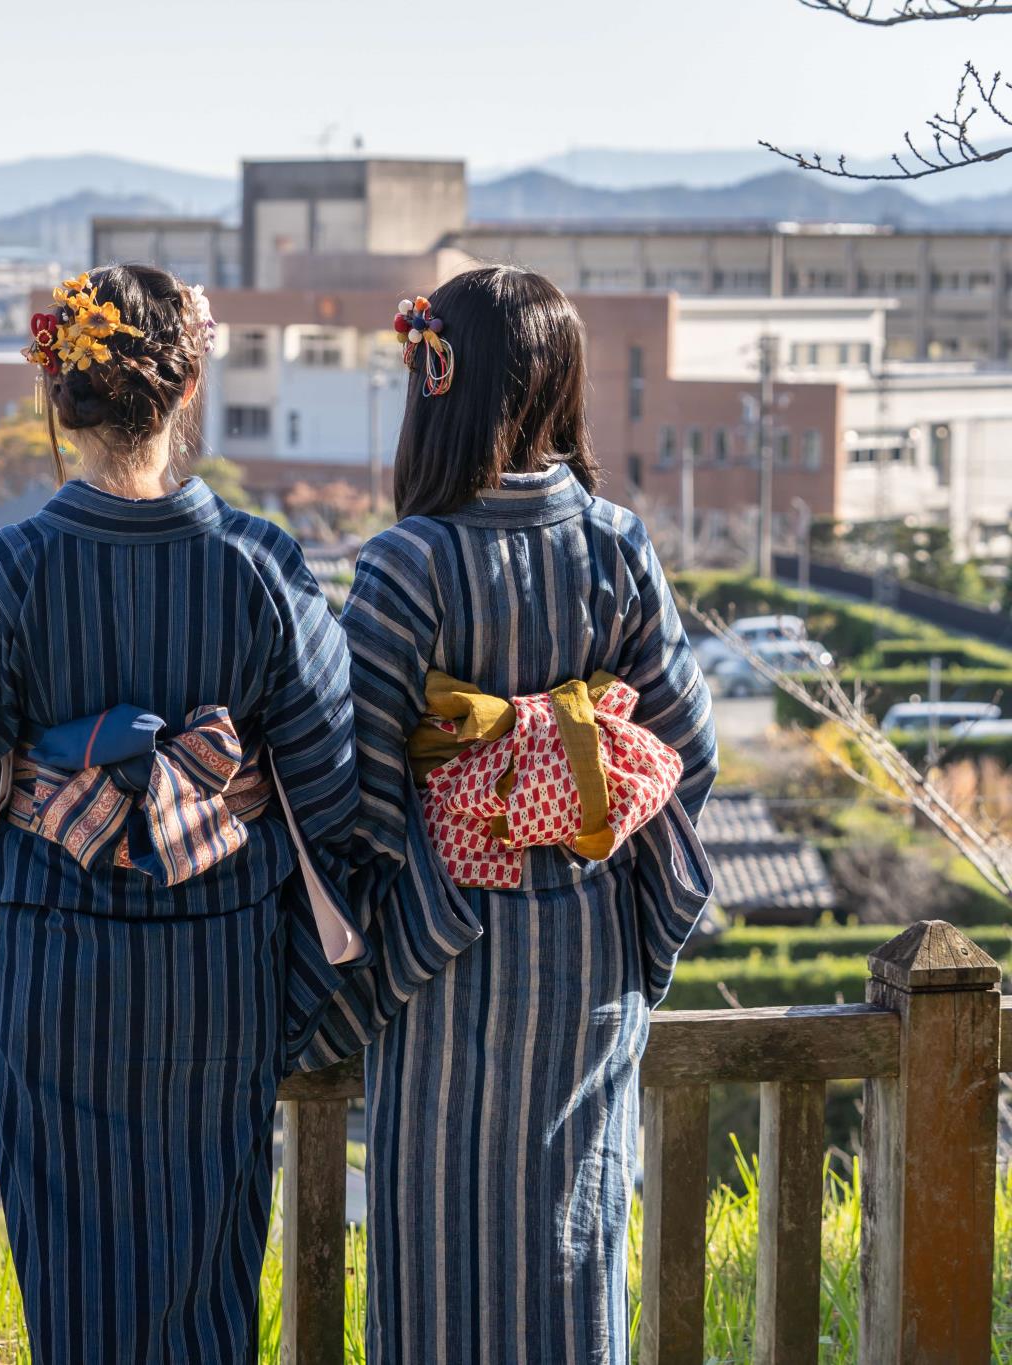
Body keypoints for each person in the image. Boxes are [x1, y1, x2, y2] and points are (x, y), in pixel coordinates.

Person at [0, 264, 361, 1363]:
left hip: (56, 977)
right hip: (220, 971)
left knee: (77, 1290)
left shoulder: (7, 571)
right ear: (186, 385)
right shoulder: (258, 563)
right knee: (208, 1283)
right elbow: (326, 788)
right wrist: (290, 960)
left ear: (63, 394)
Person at [339, 266, 717, 1364]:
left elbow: (353, 790)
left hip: (443, 956)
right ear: (560, 385)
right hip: (585, 957)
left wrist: (384, 941)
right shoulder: (616, 545)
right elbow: (682, 753)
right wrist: (615, 890)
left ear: (436, 386)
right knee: (571, 1245)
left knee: (437, 1265)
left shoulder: (409, 562)